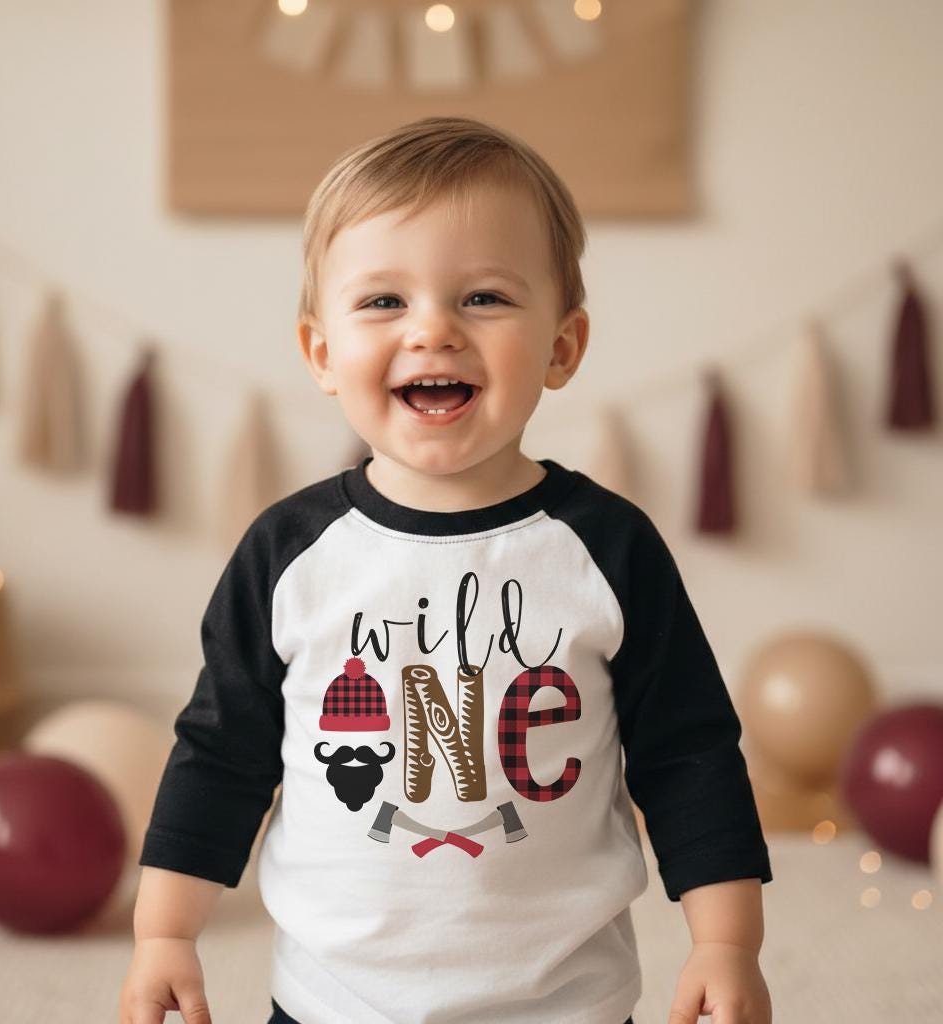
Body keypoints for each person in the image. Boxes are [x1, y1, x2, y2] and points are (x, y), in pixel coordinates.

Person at [118, 116, 773, 1024]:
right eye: (384, 302)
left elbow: (689, 751)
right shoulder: (291, 554)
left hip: (564, 1002)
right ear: (321, 352)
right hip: (330, 1002)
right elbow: (221, 753)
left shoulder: (605, 549)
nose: (433, 331)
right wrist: (165, 934)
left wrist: (725, 942)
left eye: (485, 298)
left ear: (562, 347)